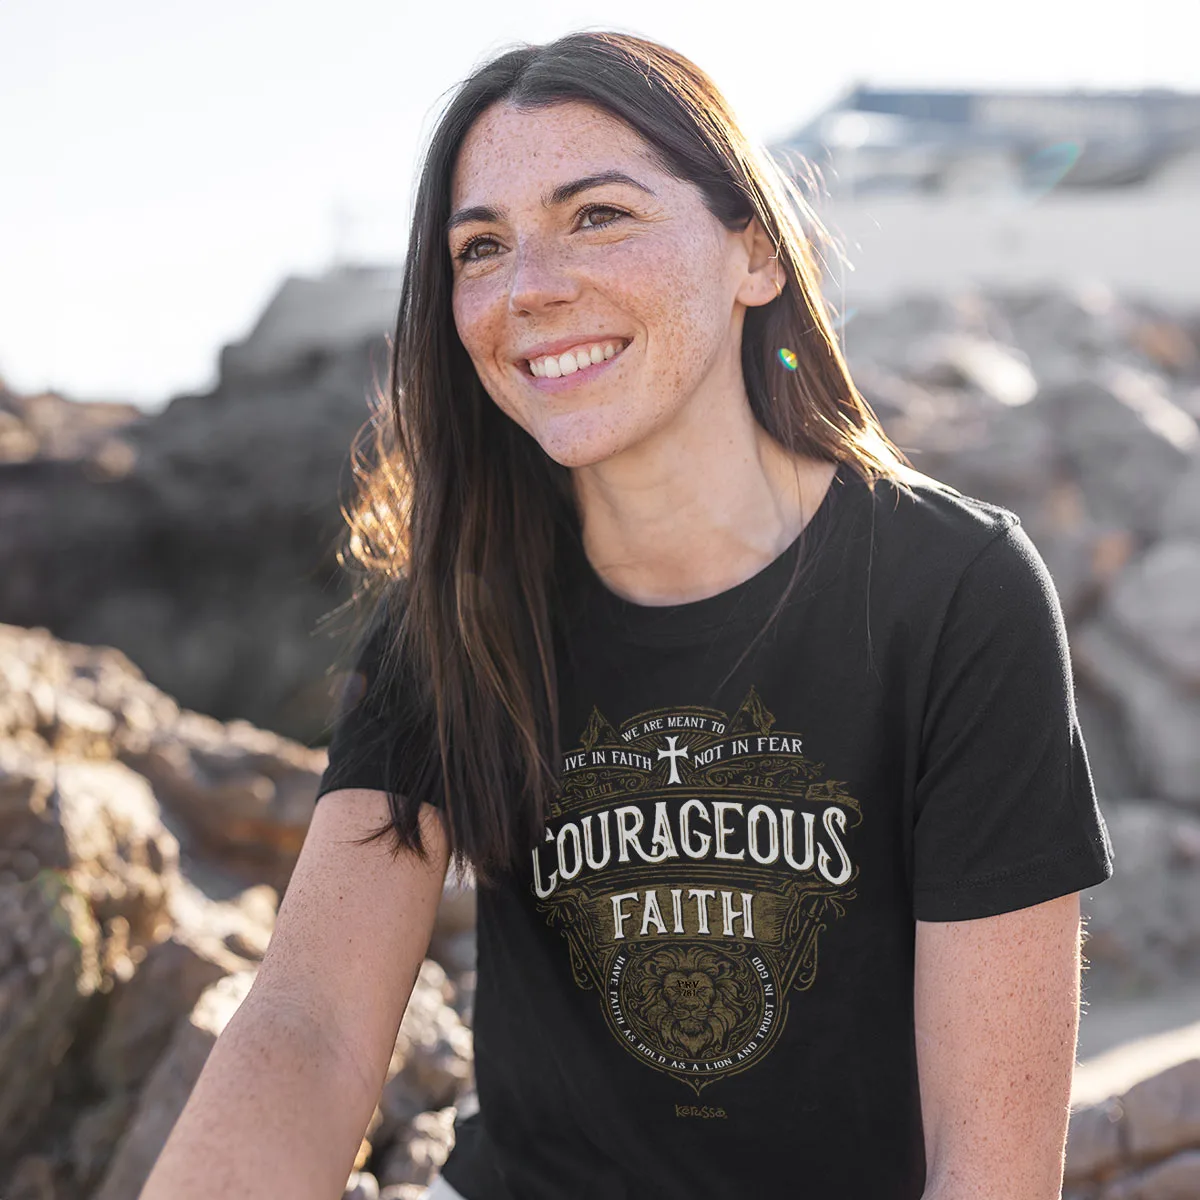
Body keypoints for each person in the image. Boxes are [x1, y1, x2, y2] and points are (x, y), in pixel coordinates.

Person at [141, 30, 1113, 1200]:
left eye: (598, 216)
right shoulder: (460, 609)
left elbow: (991, 1163)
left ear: (756, 252)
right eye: (481, 247)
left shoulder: (955, 592)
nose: (529, 288)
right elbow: (313, 1023)